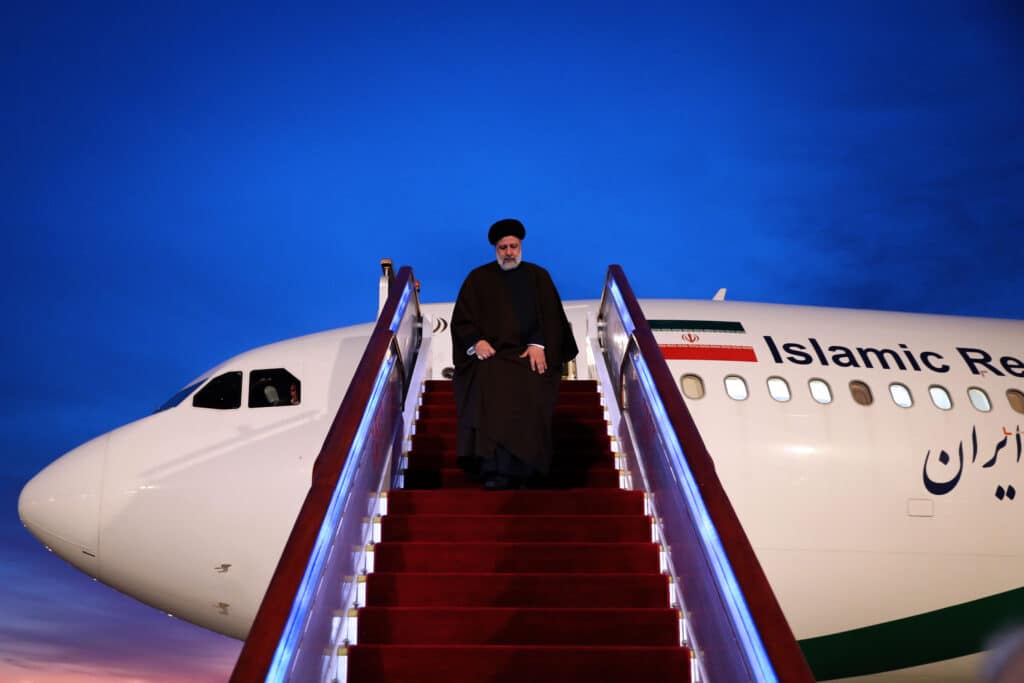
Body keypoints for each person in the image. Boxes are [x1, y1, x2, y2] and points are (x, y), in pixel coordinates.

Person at [451, 218, 578, 490]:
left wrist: (539, 345)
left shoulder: (539, 277)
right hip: (493, 357)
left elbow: (552, 319)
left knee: (533, 381)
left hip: (528, 355)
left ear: (521, 246)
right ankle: (494, 471)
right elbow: (462, 320)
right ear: (495, 249)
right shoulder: (478, 278)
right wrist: (476, 342)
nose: (509, 252)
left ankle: (528, 470)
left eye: (513, 246)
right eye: (503, 248)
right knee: (486, 381)